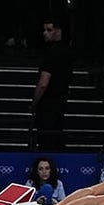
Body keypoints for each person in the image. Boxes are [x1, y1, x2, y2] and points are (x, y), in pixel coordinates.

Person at [32, 17, 71, 151]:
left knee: (46, 137)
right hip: (61, 100)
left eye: (49, 30)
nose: (45, 33)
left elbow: (43, 82)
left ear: (58, 31)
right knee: (56, 134)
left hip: (48, 102)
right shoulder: (67, 51)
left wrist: (35, 102)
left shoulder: (51, 53)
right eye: (45, 30)